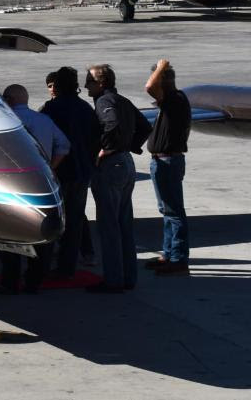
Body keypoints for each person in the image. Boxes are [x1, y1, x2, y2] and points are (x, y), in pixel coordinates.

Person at [0, 83, 69, 293]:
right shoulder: (44, 120)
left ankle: (10, 282)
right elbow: (64, 145)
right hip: (39, 182)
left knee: (10, 236)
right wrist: (48, 168)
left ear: (9, 100)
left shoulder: (7, 122)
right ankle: (34, 281)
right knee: (41, 235)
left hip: (12, 184)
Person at [83, 64, 145, 293]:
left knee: (109, 226)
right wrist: (128, 147)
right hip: (126, 162)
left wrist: (106, 150)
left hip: (111, 165)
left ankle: (113, 280)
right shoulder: (123, 100)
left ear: (101, 83)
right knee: (124, 224)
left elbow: (112, 124)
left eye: (89, 82)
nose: (85, 86)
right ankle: (128, 277)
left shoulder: (104, 102)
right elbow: (144, 126)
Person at [40, 66, 100, 278]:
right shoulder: (85, 108)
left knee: (51, 219)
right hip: (82, 172)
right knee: (75, 220)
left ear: (57, 85)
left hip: (60, 172)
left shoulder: (51, 108)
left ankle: (43, 266)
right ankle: (67, 267)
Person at [144, 58, 192, 275]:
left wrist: (161, 66)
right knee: (167, 210)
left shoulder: (174, 99)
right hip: (164, 160)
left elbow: (149, 87)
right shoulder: (175, 99)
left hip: (167, 162)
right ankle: (169, 254)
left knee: (173, 212)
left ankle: (179, 259)